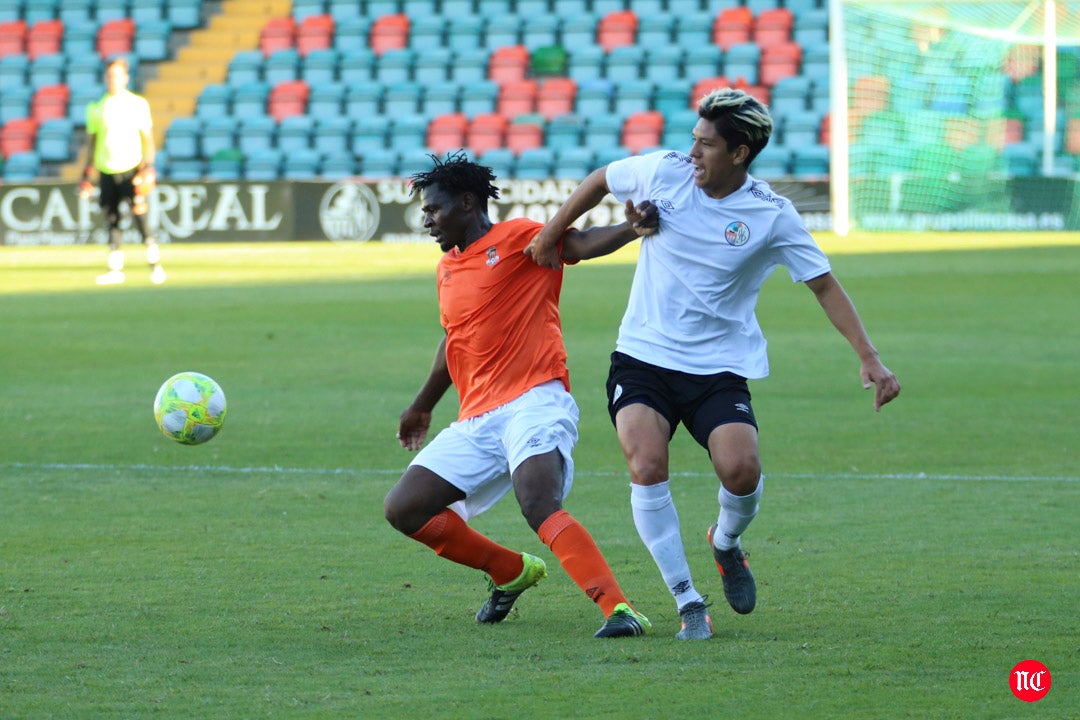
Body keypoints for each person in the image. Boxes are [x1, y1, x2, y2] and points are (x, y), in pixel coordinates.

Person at [525, 87, 902, 640]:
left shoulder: (772, 214)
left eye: (706, 145)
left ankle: (724, 542)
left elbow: (822, 284)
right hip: (643, 357)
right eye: (694, 140)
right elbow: (602, 178)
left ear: (740, 153)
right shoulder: (666, 172)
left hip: (719, 366)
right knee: (647, 465)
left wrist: (869, 357)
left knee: (741, 471)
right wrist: (551, 234)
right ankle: (688, 601)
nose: (693, 152)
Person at [383, 152, 658, 638]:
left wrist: (630, 229)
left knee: (538, 502)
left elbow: (580, 243)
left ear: (468, 203)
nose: (426, 220)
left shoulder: (517, 238)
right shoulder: (447, 268)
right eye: (424, 211)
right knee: (404, 509)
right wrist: (423, 404)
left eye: (435, 209)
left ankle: (619, 610)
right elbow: (455, 340)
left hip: (535, 398)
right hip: (478, 418)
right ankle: (510, 571)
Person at [80, 57, 164, 286]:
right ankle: (116, 268)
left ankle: (155, 265)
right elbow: (92, 144)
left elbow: (148, 139)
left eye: (117, 75)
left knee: (140, 216)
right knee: (112, 218)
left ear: (125, 78)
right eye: (109, 75)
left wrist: (147, 167)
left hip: (132, 169)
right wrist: (86, 174)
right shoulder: (96, 108)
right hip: (107, 170)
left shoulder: (137, 104)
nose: (112, 79)